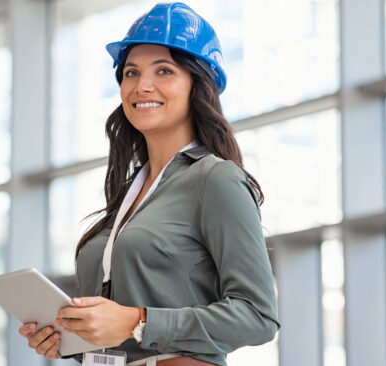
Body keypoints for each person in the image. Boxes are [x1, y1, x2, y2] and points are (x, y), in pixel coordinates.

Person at [18, 2, 279, 365]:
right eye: (131, 72)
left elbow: (259, 317)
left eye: (164, 71)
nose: (143, 85)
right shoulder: (129, 195)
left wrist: (138, 321)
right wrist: (69, 336)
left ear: (197, 86)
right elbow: (117, 335)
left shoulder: (214, 179)